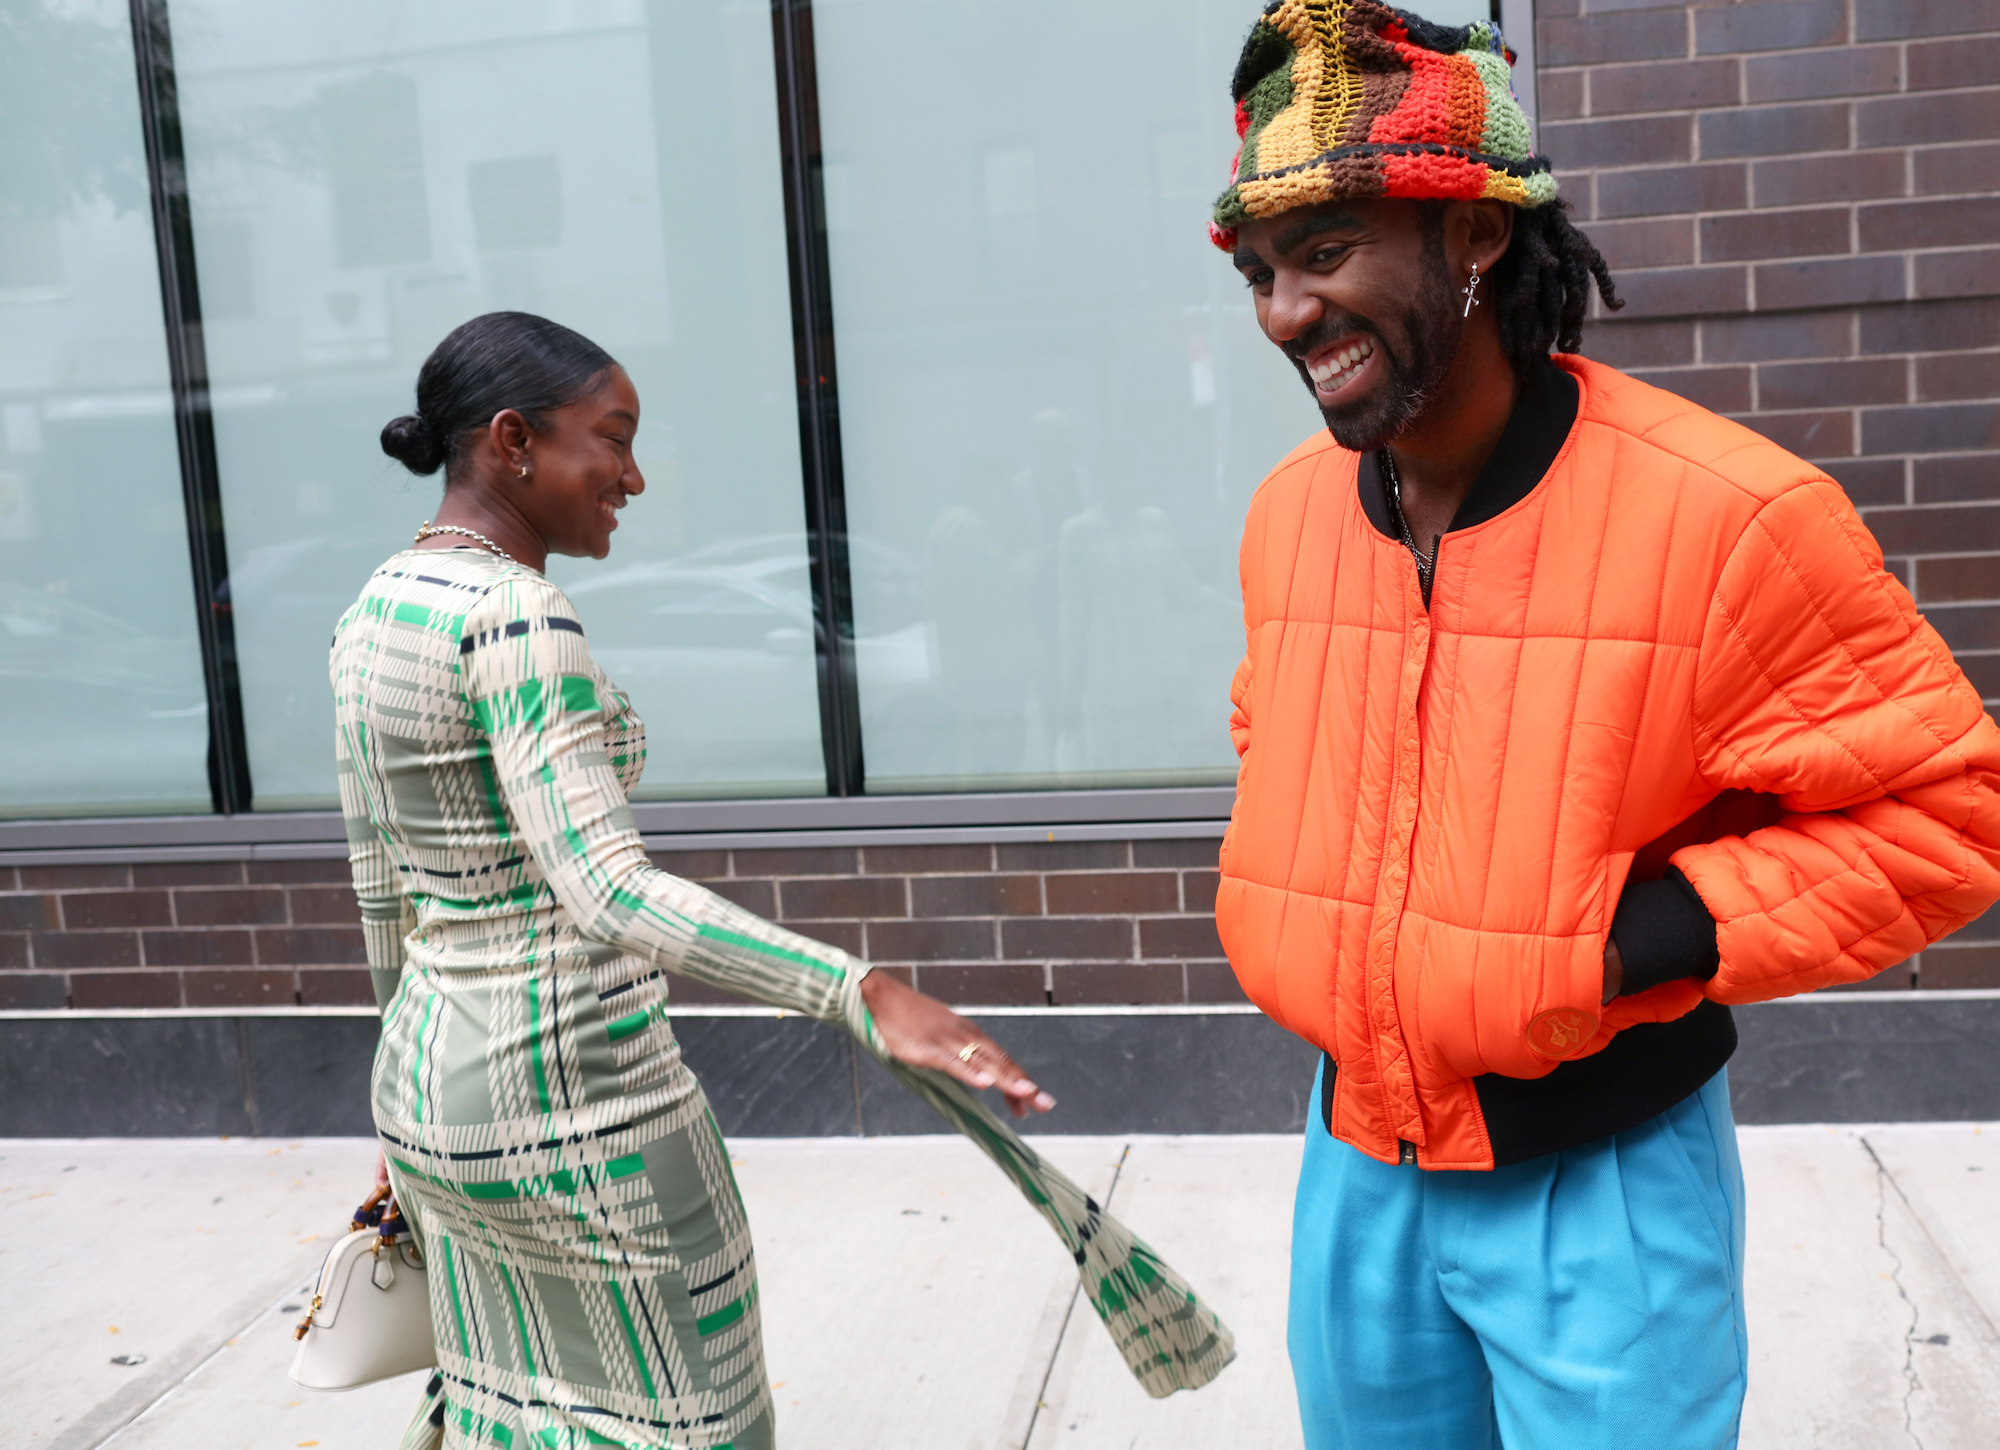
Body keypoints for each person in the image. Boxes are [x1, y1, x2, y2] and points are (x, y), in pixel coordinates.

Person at [1206, 7, 2000, 1448]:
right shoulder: (1287, 516)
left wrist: (1631, 939)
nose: (1281, 313)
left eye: (1325, 255)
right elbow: (1286, 738)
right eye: (1263, 273)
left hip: (1604, 1173)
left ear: (1478, 236)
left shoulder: (1728, 514)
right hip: (1355, 1159)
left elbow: (1949, 814)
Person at [334, 311, 1054, 1450]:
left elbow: (383, 887)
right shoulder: (517, 617)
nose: (631, 474)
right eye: (609, 439)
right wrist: (859, 992)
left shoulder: (376, 611)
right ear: (513, 441)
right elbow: (607, 891)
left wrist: (398, 1095)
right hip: (579, 1097)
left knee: (506, 1414)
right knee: (686, 1414)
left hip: (432, 1096)